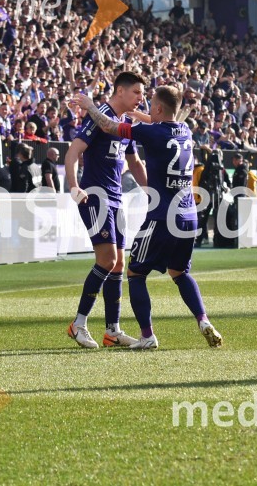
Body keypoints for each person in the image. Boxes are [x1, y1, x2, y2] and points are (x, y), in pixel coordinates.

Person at [71, 85, 223, 349]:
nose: (146, 105)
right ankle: (203, 320)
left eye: (150, 103)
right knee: (179, 272)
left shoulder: (150, 132)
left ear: (159, 108)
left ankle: (147, 335)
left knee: (135, 272)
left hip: (161, 217)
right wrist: (140, 114)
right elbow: (161, 121)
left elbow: (109, 126)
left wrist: (91, 107)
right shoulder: (184, 130)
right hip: (188, 217)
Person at [64, 71, 148, 349]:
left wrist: (153, 192)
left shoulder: (126, 123)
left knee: (119, 264)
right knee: (107, 259)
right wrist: (75, 186)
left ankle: (112, 330)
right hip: (95, 195)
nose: (141, 98)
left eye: (142, 93)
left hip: (116, 197)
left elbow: (134, 163)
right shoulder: (99, 114)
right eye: (136, 92)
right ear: (120, 91)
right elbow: (73, 152)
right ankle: (78, 324)